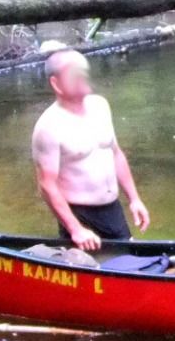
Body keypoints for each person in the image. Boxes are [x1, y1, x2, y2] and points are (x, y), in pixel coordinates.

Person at [31, 45, 151, 250]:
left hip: (112, 209)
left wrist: (134, 199)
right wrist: (75, 229)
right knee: (92, 275)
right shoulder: (48, 127)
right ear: (56, 83)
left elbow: (115, 153)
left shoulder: (100, 106)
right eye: (74, 74)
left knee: (130, 264)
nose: (82, 77)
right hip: (80, 214)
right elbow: (46, 185)